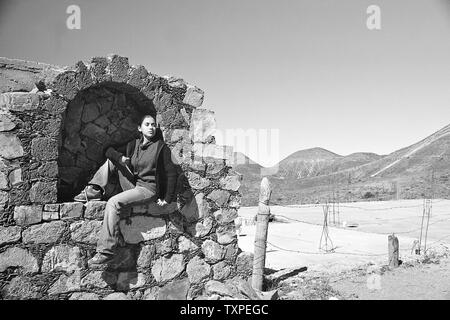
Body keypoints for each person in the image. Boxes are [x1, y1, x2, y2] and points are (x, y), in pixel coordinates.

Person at [74, 113, 178, 265]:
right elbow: (108, 151)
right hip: (134, 184)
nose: (151, 127)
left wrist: (167, 198)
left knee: (113, 203)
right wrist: (120, 157)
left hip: (148, 189)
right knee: (113, 160)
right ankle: (95, 190)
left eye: (153, 125)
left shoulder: (161, 148)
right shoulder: (133, 145)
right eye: (147, 124)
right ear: (139, 129)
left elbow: (171, 173)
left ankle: (106, 251)